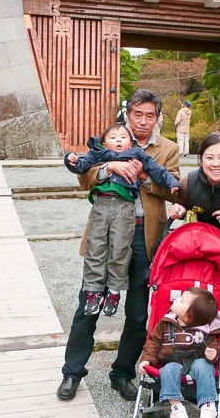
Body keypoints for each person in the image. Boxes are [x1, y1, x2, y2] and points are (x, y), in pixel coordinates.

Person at [57, 89, 181, 402]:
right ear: (127, 114)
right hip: (106, 233)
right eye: (137, 114)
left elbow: (175, 189)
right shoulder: (112, 138)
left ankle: (122, 372)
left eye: (149, 115)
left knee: (138, 314)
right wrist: (109, 168)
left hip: (144, 237)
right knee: (88, 303)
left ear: (157, 118)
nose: (142, 121)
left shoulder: (167, 148)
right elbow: (84, 178)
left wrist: (142, 177)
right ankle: (72, 373)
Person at [64, 123, 180, 317]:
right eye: (113, 137)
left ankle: (114, 293)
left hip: (133, 218)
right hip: (102, 209)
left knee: (120, 254)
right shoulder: (100, 154)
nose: (118, 140)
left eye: (123, 137)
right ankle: (93, 294)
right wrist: (74, 161)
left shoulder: (143, 154)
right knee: (96, 251)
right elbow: (83, 171)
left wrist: (163, 180)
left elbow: (160, 173)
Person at [167, 133, 220, 370]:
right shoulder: (188, 183)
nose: (215, 163)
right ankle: (185, 364)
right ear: (200, 159)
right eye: (209, 157)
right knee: (188, 309)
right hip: (192, 261)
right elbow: (177, 209)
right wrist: (176, 209)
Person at [137, 287, 220, 418]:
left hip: (196, 366)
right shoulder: (165, 324)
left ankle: (209, 407)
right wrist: (146, 360)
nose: (176, 299)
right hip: (172, 364)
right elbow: (153, 343)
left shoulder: (204, 330)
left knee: (203, 364)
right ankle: (177, 409)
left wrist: (214, 353)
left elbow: (215, 345)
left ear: (188, 316)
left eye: (181, 300)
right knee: (168, 369)